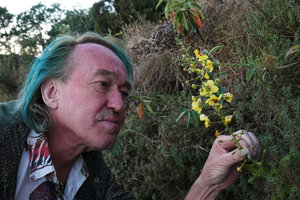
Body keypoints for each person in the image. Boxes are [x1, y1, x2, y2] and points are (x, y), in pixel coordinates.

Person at [0, 32, 260, 200]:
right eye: (102, 84)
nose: (119, 104)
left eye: (124, 93)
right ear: (52, 92)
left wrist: (207, 185)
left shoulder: (95, 178)